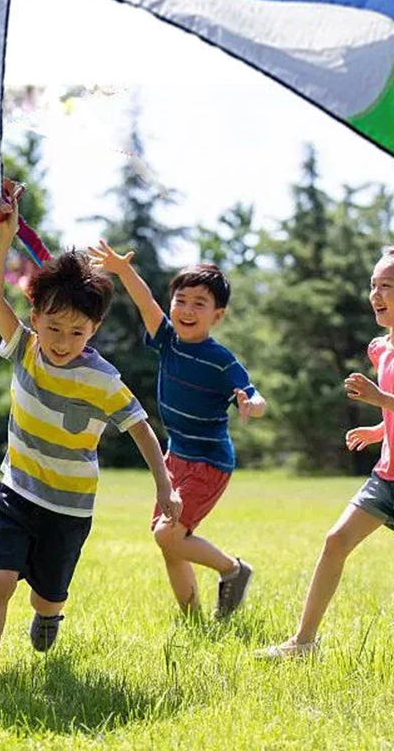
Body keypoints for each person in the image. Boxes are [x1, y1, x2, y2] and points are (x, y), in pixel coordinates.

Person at [0, 196, 182, 675]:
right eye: (52, 327)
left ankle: (49, 614)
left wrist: (164, 484)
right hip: (16, 489)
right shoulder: (25, 347)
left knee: (47, 596)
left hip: (69, 506)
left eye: (76, 332)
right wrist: (4, 239)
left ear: (95, 328)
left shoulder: (102, 378)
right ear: (37, 314)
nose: (62, 342)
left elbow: (140, 428)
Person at [257, 242, 394, 659]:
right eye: (373, 285)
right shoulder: (383, 347)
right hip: (390, 472)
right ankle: (303, 642)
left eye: (386, 285)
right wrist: (381, 430)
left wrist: (380, 402)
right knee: (336, 540)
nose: (375, 294)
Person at [88, 242, 267, 618]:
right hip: (175, 458)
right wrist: (123, 271)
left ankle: (233, 570)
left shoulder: (221, 361)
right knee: (170, 543)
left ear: (217, 315)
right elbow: (145, 303)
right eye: (181, 300)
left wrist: (251, 405)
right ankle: (193, 620)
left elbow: (254, 395)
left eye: (199, 304)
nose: (186, 310)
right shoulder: (168, 341)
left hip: (209, 463)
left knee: (167, 535)